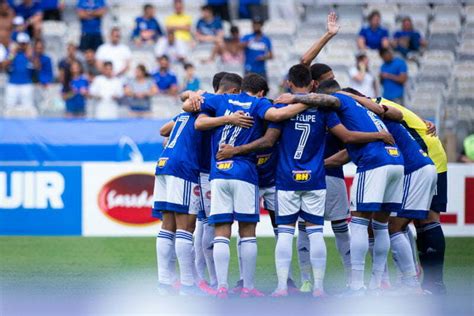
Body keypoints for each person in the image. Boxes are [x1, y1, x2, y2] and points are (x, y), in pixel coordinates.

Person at [182, 73, 316, 298]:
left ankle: (222, 287)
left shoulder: (221, 100)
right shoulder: (259, 103)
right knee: (247, 231)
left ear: (239, 88)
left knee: (221, 230)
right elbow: (277, 114)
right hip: (244, 173)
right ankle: (248, 287)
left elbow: (191, 111)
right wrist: (307, 101)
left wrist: (194, 95)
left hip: (219, 172)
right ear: (261, 91)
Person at [276, 79, 405, 295]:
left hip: (372, 162)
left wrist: (295, 97)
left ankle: (355, 285)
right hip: (395, 161)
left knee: (357, 223)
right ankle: (378, 282)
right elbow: (397, 116)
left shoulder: (339, 101)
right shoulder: (363, 107)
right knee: (381, 225)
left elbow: (343, 131)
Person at [372, 96, 449, 295]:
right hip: (428, 152)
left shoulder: (370, 106)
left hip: (425, 155)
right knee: (420, 221)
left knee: (416, 221)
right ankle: (430, 284)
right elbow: (408, 118)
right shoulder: (376, 101)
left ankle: (422, 282)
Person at [3, 32, 36, 115]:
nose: (22, 46)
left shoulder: (31, 54)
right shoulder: (11, 53)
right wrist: (12, 54)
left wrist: (30, 56)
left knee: (28, 109)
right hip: (12, 84)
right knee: (9, 109)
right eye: (20, 43)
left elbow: (38, 67)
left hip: (26, 85)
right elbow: (3, 66)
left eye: (24, 44)